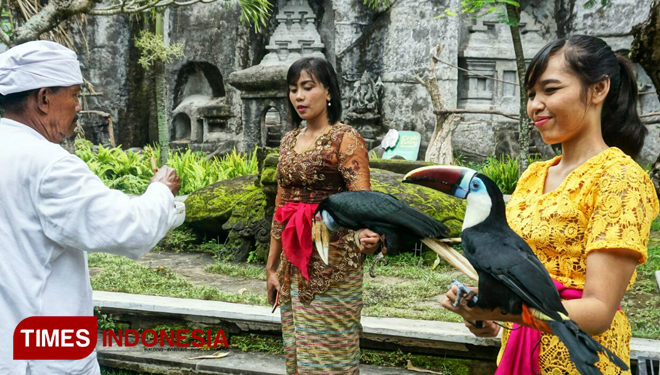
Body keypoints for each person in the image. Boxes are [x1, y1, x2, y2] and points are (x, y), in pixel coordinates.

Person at [442, 34, 659, 375]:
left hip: (580, 363)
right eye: (531, 95)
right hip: (518, 352)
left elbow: (599, 311)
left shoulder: (619, 178)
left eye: (550, 90)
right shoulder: (532, 176)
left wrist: (498, 311)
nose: (534, 105)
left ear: (598, 90)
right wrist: (486, 317)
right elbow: (524, 284)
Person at [0, 40, 185, 375]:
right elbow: (129, 229)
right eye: (73, 94)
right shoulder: (48, 164)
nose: (79, 107)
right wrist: (161, 191)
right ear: (44, 99)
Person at [265, 57, 382, 375]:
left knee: (331, 358)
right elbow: (282, 204)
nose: (299, 96)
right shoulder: (289, 141)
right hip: (293, 260)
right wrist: (271, 265)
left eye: (307, 87)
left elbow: (363, 203)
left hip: (334, 264)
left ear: (328, 92)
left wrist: (367, 236)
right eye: (293, 90)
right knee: (298, 356)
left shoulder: (346, 139)